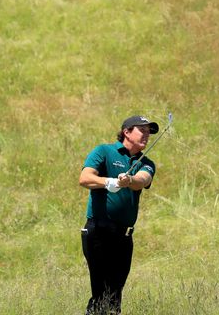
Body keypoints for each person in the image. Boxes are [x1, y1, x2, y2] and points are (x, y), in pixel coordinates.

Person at [78, 115, 159, 315]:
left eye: (149, 132)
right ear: (127, 131)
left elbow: (142, 180)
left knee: (115, 292)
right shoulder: (104, 151)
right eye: (143, 130)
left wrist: (128, 179)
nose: (147, 136)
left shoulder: (146, 162)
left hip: (123, 237)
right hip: (98, 231)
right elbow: (85, 177)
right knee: (101, 291)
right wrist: (109, 182)